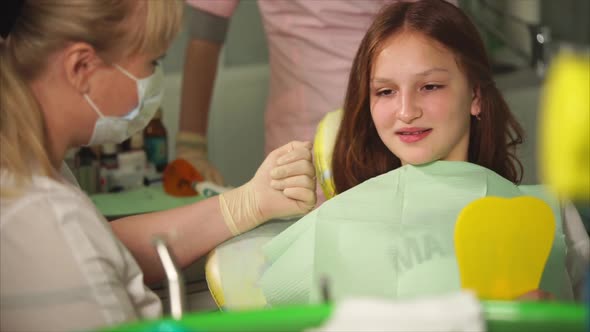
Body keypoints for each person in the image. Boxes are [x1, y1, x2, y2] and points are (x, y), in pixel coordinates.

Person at [0, 1, 315, 331]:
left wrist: (247, 204)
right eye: (153, 61)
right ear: (81, 67)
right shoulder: (46, 213)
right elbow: (78, 245)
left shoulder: (30, 168)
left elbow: (105, 247)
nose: (154, 79)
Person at [258, 0, 589, 306]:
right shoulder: (334, 220)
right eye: (385, 91)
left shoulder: (552, 214)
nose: (406, 111)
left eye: (430, 86)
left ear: (475, 95)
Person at [177, 0, 397, 185]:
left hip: (389, 137)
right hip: (302, 150)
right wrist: (191, 147)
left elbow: (421, 26)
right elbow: (205, 30)